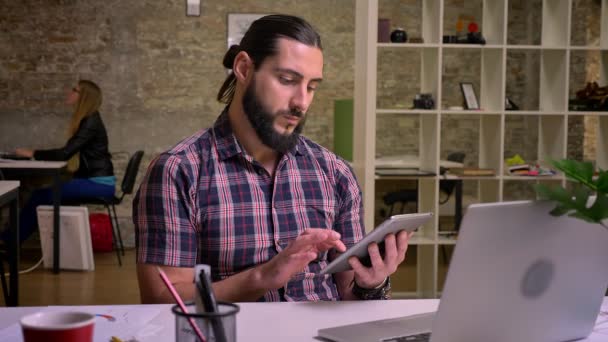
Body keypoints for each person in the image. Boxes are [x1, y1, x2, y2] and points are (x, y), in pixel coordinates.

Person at [134, 14, 412, 303]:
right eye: (288, 80)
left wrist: (371, 284)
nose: (301, 102)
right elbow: (162, 301)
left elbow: (348, 292)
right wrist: (263, 277)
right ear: (244, 68)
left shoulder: (336, 173)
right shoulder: (178, 172)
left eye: (312, 86)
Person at [10, 80, 115, 243]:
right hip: (95, 180)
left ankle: (8, 242)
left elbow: (63, 154)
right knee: (44, 195)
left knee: (40, 195)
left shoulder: (90, 122)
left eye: (75, 90)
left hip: (100, 184)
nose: (70, 92)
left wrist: (33, 153)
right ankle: (12, 241)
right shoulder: (89, 120)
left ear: (84, 97)